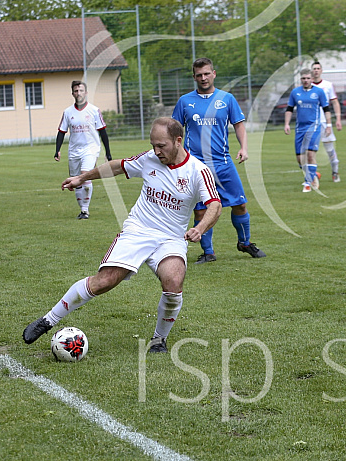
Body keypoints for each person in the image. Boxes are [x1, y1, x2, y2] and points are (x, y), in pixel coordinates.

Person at [23, 117, 222, 353]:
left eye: (162, 146)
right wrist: (81, 178)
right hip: (138, 230)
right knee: (104, 282)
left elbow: (215, 205)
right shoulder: (149, 159)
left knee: (174, 282)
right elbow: (117, 166)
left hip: (171, 239)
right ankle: (48, 320)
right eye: (153, 145)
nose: (156, 151)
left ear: (178, 141)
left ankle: (159, 340)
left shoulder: (198, 171)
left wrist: (200, 228)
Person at [172, 57, 266, 264]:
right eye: (199, 75)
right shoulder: (185, 101)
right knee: (201, 210)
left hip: (223, 163)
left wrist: (244, 148)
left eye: (207, 73)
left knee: (240, 205)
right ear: (194, 77)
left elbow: (239, 124)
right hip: (195, 167)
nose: (203, 78)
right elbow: (175, 131)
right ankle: (208, 252)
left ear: (214, 73)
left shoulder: (227, 99)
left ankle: (244, 242)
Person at [55, 81, 112, 219]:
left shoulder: (94, 110)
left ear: (86, 93)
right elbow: (62, 132)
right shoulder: (68, 112)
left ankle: (85, 210)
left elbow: (103, 132)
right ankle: (82, 210)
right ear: (72, 93)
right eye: (76, 91)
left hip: (91, 149)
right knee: (76, 180)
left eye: (81, 90)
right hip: (74, 151)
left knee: (84, 175)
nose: (78, 93)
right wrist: (57, 150)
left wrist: (108, 153)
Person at [284, 68, 332, 193]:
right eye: (303, 78)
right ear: (301, 79)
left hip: (314, 127)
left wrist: (329, 125)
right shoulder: (295, 92)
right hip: (300, 128)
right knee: (300, 159)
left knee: (310, 155)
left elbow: (326, 109)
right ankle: (313, 174)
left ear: (312, 79)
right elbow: (289, 109)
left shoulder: (319, 92)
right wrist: (287, 124)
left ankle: (307, 182)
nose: (306, 80)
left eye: (308, 78)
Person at [311, 61, 343, 182]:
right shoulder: (307, 86)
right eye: (314, 68)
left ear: (321, 70)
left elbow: (335, 102)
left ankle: (335, 172)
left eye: (318, 68)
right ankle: (311, 176)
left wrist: (338, 119)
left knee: (330, 149)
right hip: (311, 123)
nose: (316, 70)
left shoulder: (328, 85)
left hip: (325, 122)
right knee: (309, 151)